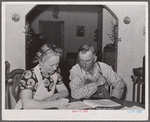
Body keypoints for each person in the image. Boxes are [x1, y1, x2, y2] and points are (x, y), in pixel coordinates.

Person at [15, 43, 69, 109]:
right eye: (51, 65)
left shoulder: (55, 73)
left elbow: (65, 91)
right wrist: (54, 103)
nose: (55, 68)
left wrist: (55, 96)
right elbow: (26, 104)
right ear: (41, 61)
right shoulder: (30, 75)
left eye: (57, 64)